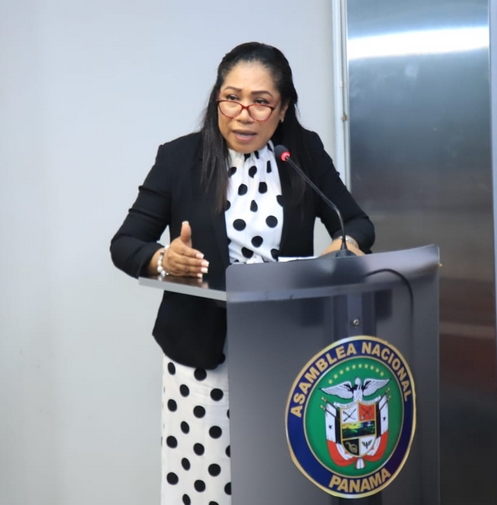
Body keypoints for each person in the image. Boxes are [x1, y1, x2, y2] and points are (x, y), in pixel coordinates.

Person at [110, 42, 374, 505]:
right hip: (203, 354)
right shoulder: (180, 158)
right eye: (231, 98)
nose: (243, 115)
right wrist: (164, 260)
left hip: (288, 351)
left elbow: (354, 222)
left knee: (285, 479)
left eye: (260, 102)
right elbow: (125, 243)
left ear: (283, 108)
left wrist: (343, 247)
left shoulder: (302, 153)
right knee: (211, 484)